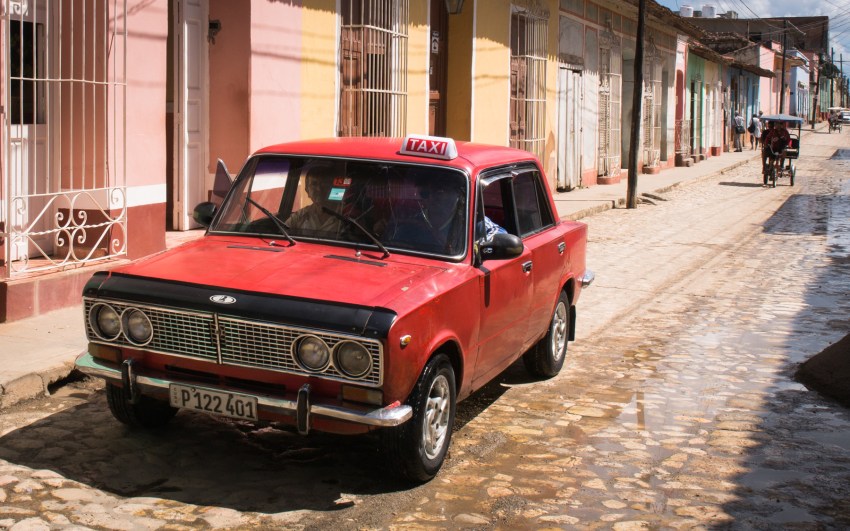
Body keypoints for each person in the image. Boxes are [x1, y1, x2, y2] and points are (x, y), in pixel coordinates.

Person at [286, 164, 344, 234]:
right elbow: (282, 234)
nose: (319, 189)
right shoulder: (301, 216)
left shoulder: (346, 215)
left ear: (332, 188)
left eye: (324, 183)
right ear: (307, 191)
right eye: (314, 184)